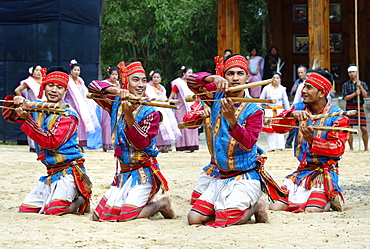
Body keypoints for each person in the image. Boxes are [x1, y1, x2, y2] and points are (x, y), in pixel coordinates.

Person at [186, 54, 285, 227]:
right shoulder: (215, 97)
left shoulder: (255, 110)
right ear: (224, 77)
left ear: (248, 78)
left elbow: (248, 144)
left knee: (227, 219)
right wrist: (212, 77)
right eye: (230, 74)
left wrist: (232, 120)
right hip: (221, 176)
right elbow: (192, 80)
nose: (235, 78)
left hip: (245, 177)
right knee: (193, 218)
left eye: (240, 73)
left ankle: (256, 206)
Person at [88, 61, 176, 222]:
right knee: (97, 216)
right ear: (125, 83)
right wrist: (116, 90)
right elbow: (93, 87)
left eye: (143, 80)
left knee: (127, 216)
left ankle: (162, 204)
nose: (141, 84)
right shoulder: (116, 103)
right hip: (123, 174)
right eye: (135, 80)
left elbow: (141, 144)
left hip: (143, 174)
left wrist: (129, 116)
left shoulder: (152, 112)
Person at [2, 66, 92, 215]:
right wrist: (15, 102)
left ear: (65, 91)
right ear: (44, 87)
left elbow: (51, 141)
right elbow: (10, 115)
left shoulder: (68, 114)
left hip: (68, 171)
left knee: (55, 211)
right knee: (26, 209)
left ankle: (81, 198)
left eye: (59, 87)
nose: (54, 90)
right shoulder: (38, 106)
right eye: (50, 85)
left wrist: (27, 120)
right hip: (51, 173)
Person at [269, 72, 349, 213]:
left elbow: (338, 149)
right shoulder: (299, 108)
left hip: (324, 173)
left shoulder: (338, 116)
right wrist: (291, 115)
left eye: (308, 87)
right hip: (302, 172)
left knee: (312, 210)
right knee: (275, 207)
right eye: (303, 87)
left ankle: (330, 196)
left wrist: (312, 141)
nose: (303, 91)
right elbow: (275, 126)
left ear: (321, 93)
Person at [64, 59, 100, 150]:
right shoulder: (68, 81)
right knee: (72, 123)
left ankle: (81, 143)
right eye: (75, 70)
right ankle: (71, 142)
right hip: (70, 104)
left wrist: (91, 102)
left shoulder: (80, 80)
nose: (76, 72)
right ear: (71, 71)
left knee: (81, 123)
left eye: (78, 70)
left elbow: (85, 93)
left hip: (81, 106)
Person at [146, 70, 181, 152]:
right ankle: (156, 146)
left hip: (163, 108)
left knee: (166, 124)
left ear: (160, 79)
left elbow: (164, 98)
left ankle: (166, 146)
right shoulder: (148, 87)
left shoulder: (162, 88)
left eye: (158, 77)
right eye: (154, 77)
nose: (156, 79)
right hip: (154, 108)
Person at [14, 65, 47, 153]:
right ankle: (33, 146)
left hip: (44, 107)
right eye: (36, 70)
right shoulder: (29, 82)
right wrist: (22, 101)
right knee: (32, 124)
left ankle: (42, 145)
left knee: (43, 125)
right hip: (32, 107)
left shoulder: (45, 81)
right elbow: (17, 90)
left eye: (40, 70)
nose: (38, 72)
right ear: (33, 72)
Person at [169, 66, 199, 152]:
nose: (190, 75)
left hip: (192, 108)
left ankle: (192, 146)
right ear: (184, 74)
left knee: (192, 125)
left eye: (191, 73)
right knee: (182, 127)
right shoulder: (178, 84)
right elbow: (171, 97)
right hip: (181, 109)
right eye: (189, 73)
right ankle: (182, 146)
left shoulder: (192, 84)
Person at [260, 72, 290, 151]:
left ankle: (280, 146)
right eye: (274, 78)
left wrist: (288, 111)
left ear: (280, 80)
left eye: (277, 78)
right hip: (269, 111)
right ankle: (271, 147)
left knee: (279, 128)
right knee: (269, 130)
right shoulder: (266, 88)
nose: (275, 80)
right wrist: (258, 108)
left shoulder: (282, 89)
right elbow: (261, 100)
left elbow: (286, 101)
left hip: (279, 111)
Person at [342, 64, 369, 151]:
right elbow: (345, 98)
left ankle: (365, 147)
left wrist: (360, 87)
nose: (352, 74)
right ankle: (351, 147)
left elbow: (365, 96)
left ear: (356, 72)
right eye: (350, 72)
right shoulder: (345, 85)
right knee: (349, 128)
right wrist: (355, 94)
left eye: (353, 72)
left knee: (364, 128)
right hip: (350, 107)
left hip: (359, 107)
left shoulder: (363, 84)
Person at [98, 67, 120, 152]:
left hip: (117, 105)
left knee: (116, 123)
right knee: (106, 124)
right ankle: (107, 144)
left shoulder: (119, 84)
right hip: (107, 105)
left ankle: (115, 143)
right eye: (113, 74)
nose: (114, 76)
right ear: (109, 75)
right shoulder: (104, 83)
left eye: (116, 74)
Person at [286, 65, 307, 148]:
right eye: (299, 73)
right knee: (294, 125)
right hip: (299, 106)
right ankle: (289, 142)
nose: (300, 74)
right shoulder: (298, 83)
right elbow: (293, 94)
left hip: (309, 106)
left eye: (302, 72)